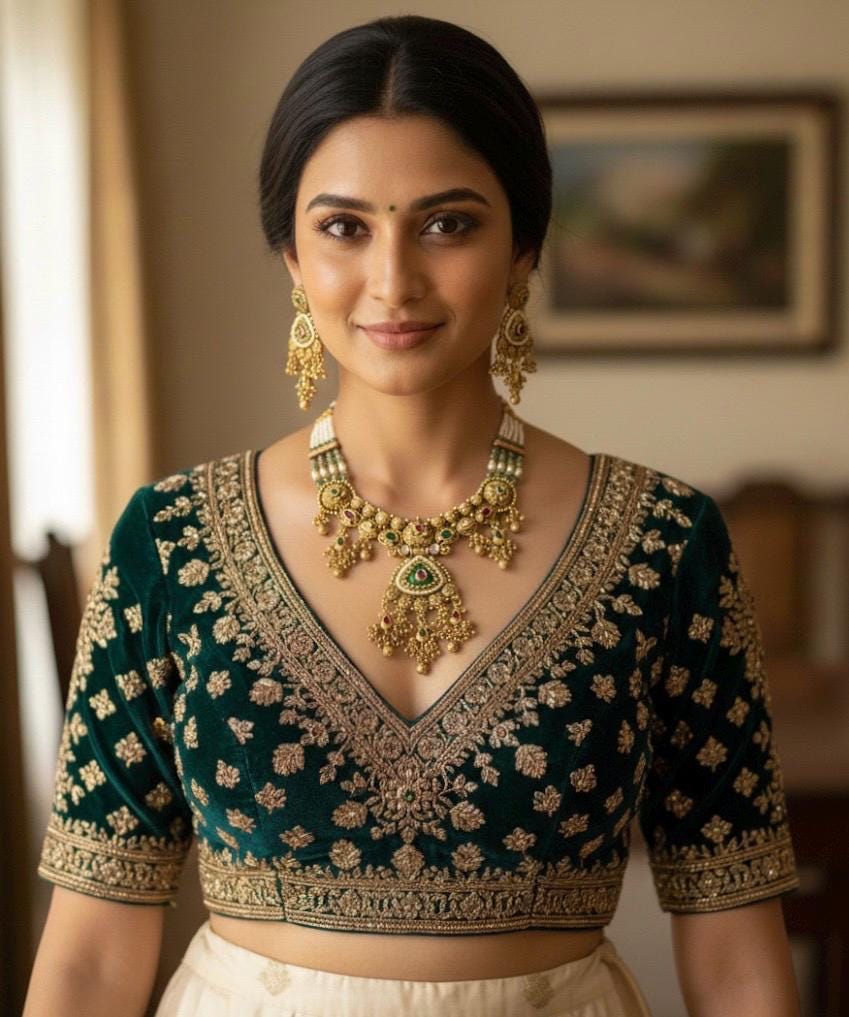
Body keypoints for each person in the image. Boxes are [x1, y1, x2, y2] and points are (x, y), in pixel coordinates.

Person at [23, 14, 803, 1017]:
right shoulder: (170, 543)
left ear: (525, 243)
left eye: (448, 223)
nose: (393, 280)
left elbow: (739, 952)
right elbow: (89, 956)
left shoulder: (664, 543)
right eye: (344, 227)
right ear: (292, 257)